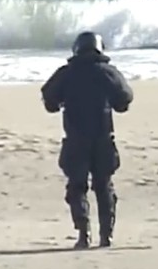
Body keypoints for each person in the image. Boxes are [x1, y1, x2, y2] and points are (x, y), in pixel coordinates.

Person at [41, 31, 134, 249]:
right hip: (103, 139)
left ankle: (84, 233)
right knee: (104, 187)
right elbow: (124, 100)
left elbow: (49, 100)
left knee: (76, 187)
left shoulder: (66, 73)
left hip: (75, 140)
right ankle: (106, 235)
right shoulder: (108, 72)